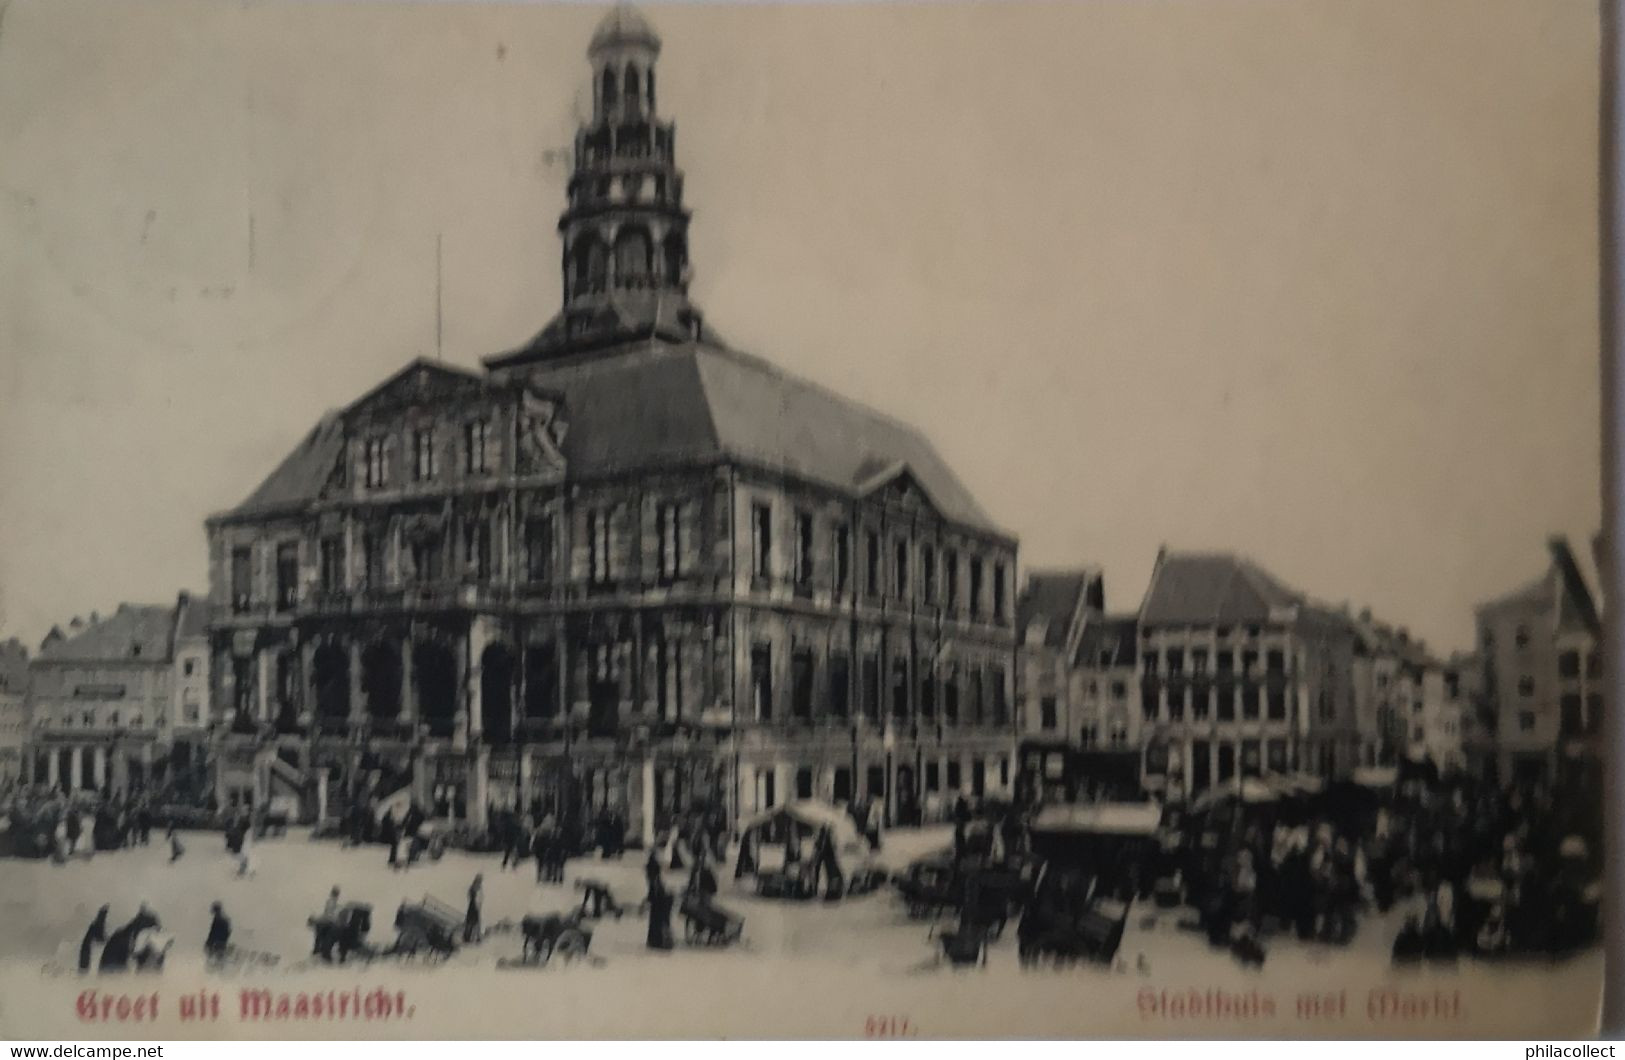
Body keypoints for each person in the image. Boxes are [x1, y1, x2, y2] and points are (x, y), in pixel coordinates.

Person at [645, 875, 674, 951]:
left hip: (658, 911)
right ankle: (656, 942)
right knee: (658, 926)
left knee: (657, 926)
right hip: (658, 911)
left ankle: (657, 942)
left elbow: (652, 898)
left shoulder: (658, 888)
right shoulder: (656, 887)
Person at [79, 906, 109, 973]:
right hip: (87, 953)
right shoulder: (97, 926)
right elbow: (100, 938)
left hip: (87, 952)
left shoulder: (95, 926)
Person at [464, 874, 483, 943]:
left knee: (472, 922)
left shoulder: (475, 887)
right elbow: (476, 898)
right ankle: (471, 937)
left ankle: (470, 937)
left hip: (473, 906)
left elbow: (469, 895)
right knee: (473, 922)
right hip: (474, 907)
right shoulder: (477, 888)